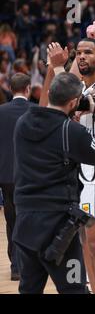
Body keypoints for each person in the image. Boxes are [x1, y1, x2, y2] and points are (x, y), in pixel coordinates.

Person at [13, 72, 95, 293]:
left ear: (49, 93)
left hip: (25, 223)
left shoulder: (22, 123)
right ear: (73, 103)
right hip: (58, 228)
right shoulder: (71, 131)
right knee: (74, 290)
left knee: (28, 289)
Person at [40, 36, 95, 293]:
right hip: (80, 173)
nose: (81, 57)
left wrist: (58, 68)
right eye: (78, 53)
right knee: (85, 244)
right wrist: (53, 69)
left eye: (88, 52)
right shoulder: (81, 88)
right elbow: (49, 106)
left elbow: (87, 104)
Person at [0, 73, 35, 281]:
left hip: (6, 175)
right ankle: (32, 264)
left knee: (12, 221)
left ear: (11, 89)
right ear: (29, 89)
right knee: (31, 220)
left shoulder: (0, 112)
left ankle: (16, 266)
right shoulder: (35, 111)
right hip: (31, 176)